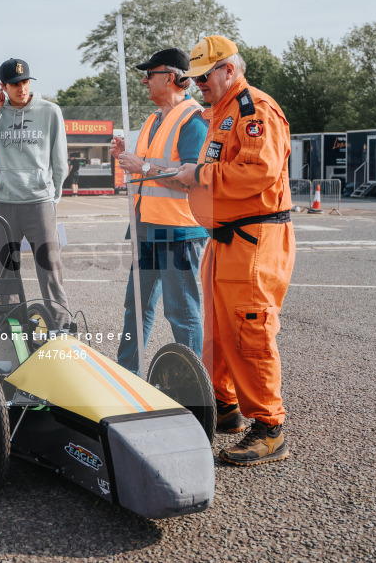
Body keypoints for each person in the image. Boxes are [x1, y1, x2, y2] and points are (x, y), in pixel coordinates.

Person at [174, 35, 295, 466]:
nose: (198, 84)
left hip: (254, 238)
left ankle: (270, 428)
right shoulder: (220, 113)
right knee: (218, 330)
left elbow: (258, 172)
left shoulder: (254, 110)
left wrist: (200, 174)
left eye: (204, 76)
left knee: (249, 331)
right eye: (194, 78)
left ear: (229, 69)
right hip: (226, 238)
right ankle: (225, 408)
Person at [109, 48, 208, 375]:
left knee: (182, 314)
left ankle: (195, 392)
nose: (144, 79)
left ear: (170, 76)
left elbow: (190, 180)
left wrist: (142, 166)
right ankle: (127, 377)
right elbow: (149, 169)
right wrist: (128, 156)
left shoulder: (194, 119)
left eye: (149, 74)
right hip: (146, 227)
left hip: (178, 231)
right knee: (135, 309)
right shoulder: (153, 119)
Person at [0, 58, 70, 328]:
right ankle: (13, 328)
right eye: (14, 84)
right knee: (7, 271)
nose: (21, 88)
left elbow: (59, 160)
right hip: (3, 203)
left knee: (50, 268)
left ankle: (61, 327)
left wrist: (53, 197)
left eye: (25, 82)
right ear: (2, 86)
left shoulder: (50, 111)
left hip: (40, 202)